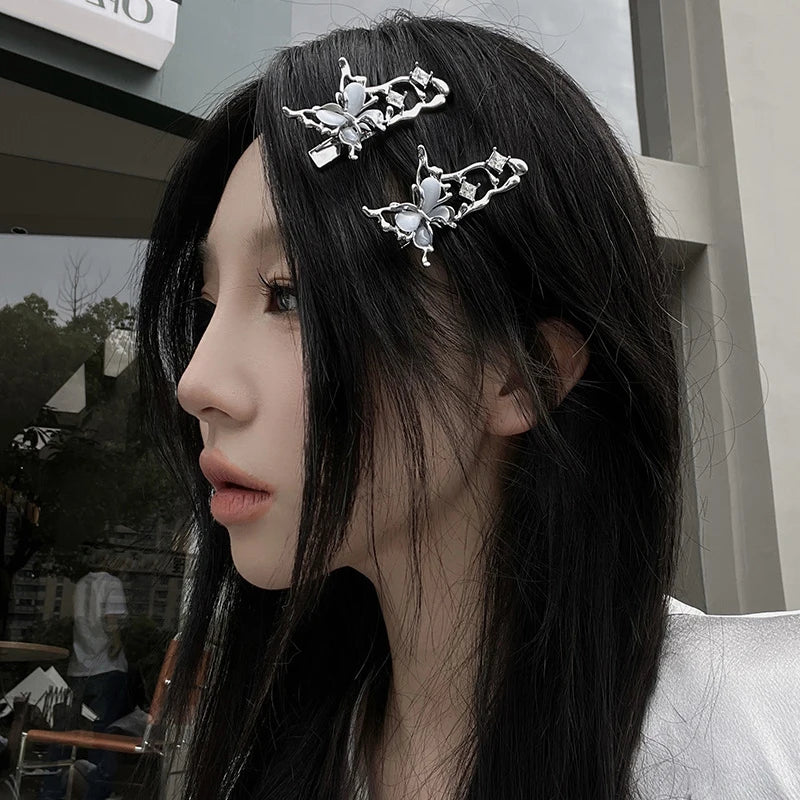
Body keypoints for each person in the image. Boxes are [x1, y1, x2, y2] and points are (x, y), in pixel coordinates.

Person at [134, 14, 800, 800]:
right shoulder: (286, 763)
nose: (197, 382)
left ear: (523, 375)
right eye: (208, 303)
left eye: (290, 296)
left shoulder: (763, 727)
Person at [40, 569, 129, 800]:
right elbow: (111, 618)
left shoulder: (81, 584)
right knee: (103, 732)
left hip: (79, 667)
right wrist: (117, 641)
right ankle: (97, 791)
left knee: (66, 732)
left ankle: (52, 788)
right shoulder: (111, 583)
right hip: (107, 667)